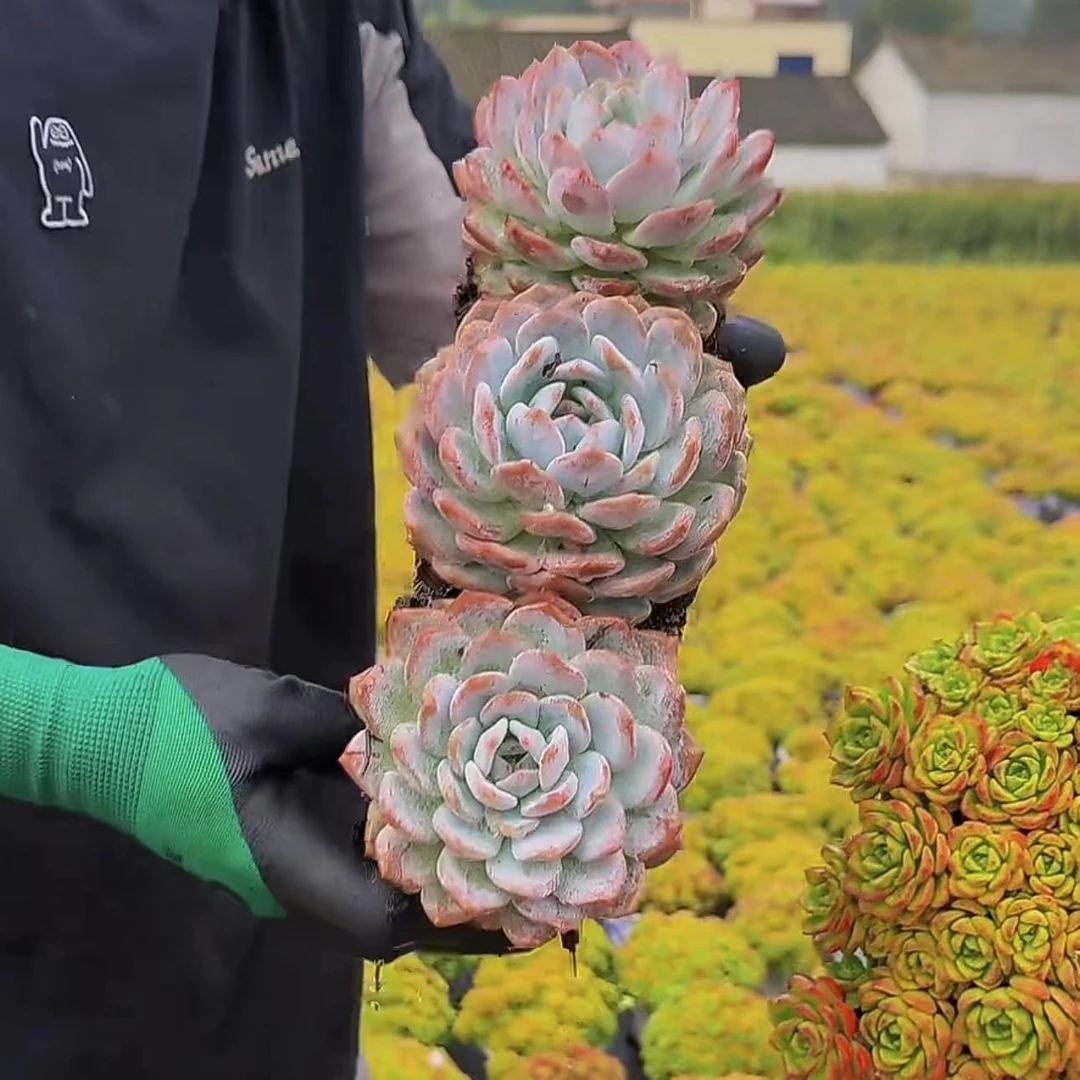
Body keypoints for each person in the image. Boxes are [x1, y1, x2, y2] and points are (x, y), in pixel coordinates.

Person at [0, 2, 787, 1078]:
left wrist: (614, 367)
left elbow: (458, 302)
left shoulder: (328, 21)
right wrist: (63, 734)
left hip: (282, 869)